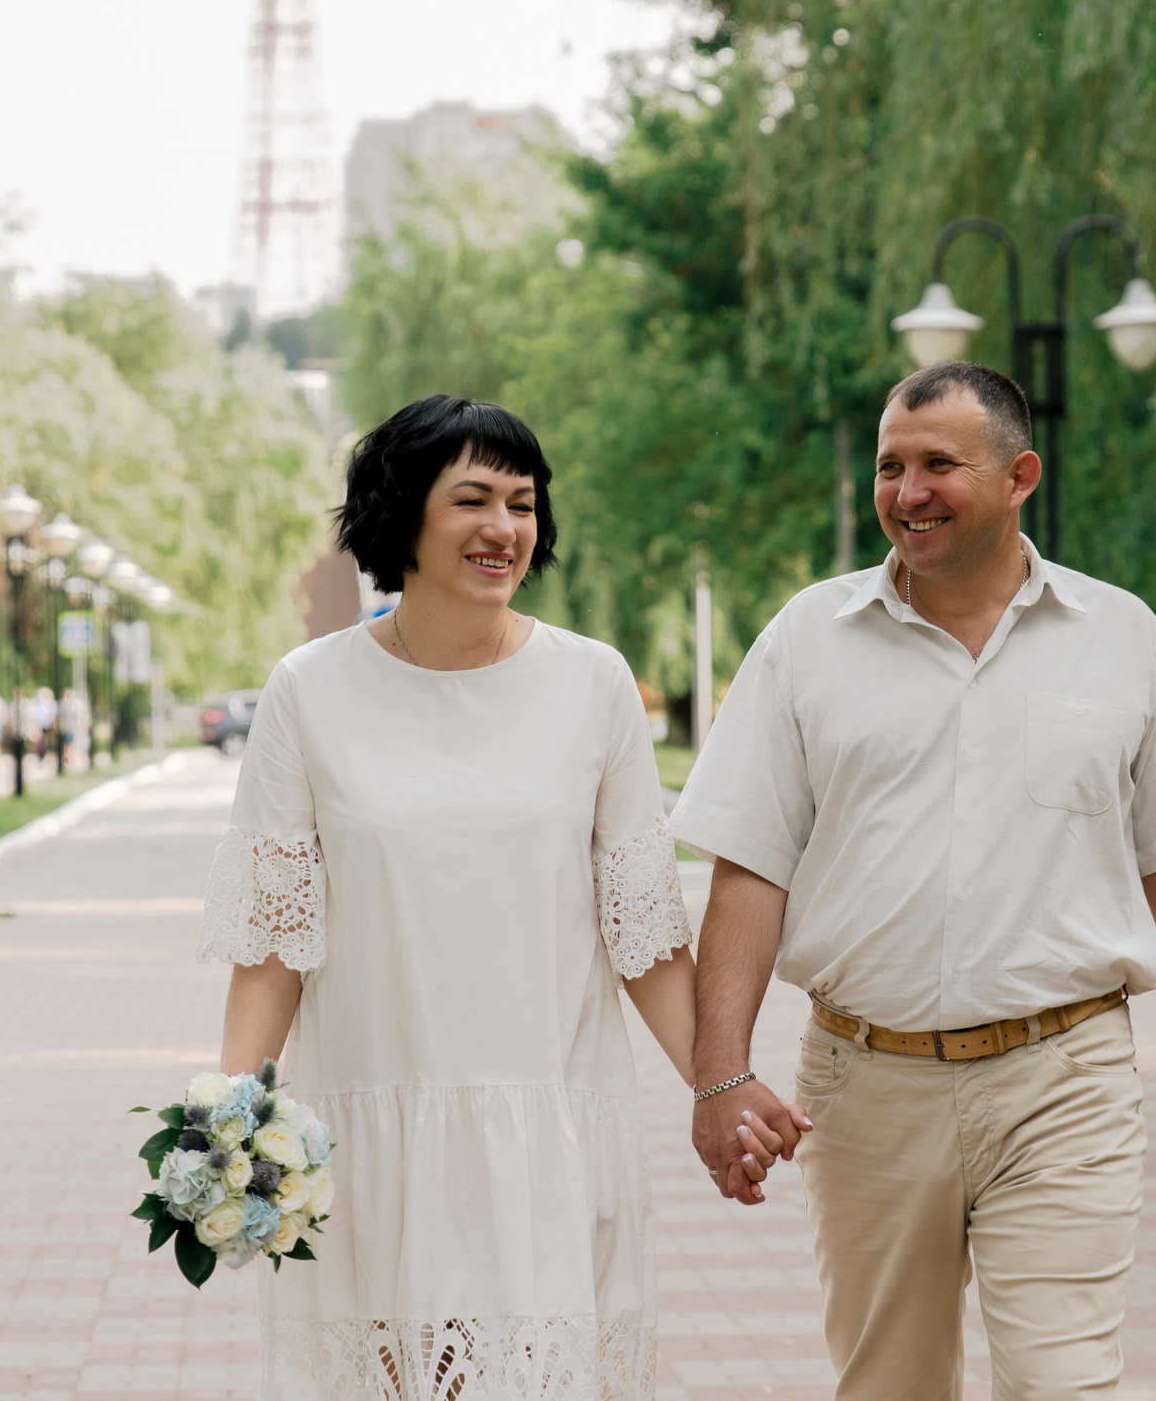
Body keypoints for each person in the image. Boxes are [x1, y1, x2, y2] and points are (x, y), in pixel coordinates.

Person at [673, 360, 1156, 1399]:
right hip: (862, 1087)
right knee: (888, 1385)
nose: (907, 491)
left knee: (1061, 1383)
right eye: (892, 466)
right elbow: (747, 871)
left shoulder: (1123, 641)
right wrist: (720, 1075)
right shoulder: (808, 640)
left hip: (1062, 1076)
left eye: (939, 463)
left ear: (1019, 474)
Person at [202, 395, 793, 1399]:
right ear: (403, 516)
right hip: (376, 1133)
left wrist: (721, 1083)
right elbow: (274, 943)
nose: (504, 528)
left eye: (523, 503)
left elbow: (642, 934)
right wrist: (231, 1124)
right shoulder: (309, 691)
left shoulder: (593, 684)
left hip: (551, 1135)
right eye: (472, 499)